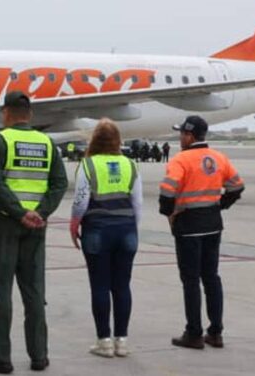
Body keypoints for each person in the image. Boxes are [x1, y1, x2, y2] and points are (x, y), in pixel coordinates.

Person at [0, 91, 68, 374]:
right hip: (36, 227)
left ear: (6, 113)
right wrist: (40, 213)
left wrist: (19, 212)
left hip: (6, 223)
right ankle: (39, 355)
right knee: (34, 291)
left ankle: (1, 357)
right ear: (29, 115)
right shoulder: (47, 143)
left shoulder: (0, 141)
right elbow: (59, 183)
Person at [159, 115, 245, 350]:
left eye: (182, 134)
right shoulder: (218, 157)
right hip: (212, 224)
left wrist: (169, 213)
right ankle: (215, 332)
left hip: (188, 226)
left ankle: (194, 333)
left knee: (190, 280)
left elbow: (167, 190)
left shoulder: (181, 160)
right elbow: (237, 185)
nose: (179, 138)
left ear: (189, 135)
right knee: (211, 277)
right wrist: (220, 204)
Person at [68, 119, 141, 358]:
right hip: (126, 229)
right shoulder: (130, 165)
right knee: (122, 286)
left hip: (98, 230)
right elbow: (137, 203)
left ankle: (104, 341)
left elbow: (80, 201)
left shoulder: (88, 165)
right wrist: (131, 228)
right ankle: (122, 341)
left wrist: (74, 225)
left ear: (94, 140)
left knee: (99, 286)